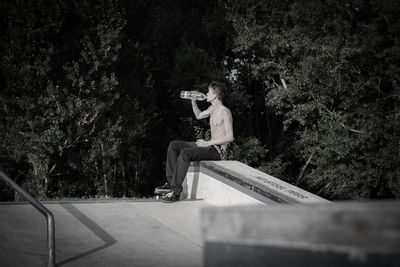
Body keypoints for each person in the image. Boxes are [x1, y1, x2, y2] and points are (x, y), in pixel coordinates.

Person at [156, 81, 234, 202]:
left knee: (185, 154)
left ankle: (175, 192)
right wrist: (193, 101)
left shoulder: (225, 111)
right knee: (174, 145)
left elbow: (230, 137)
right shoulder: (212, 109)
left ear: (214, 95)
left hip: (217, 151)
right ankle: (171, 183)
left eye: (209, 92)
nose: (206, 94)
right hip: (208, 145)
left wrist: (208, 143)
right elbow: (199, 115)